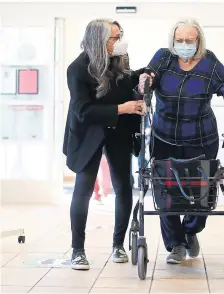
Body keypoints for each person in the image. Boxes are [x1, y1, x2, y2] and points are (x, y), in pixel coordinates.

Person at [138, 19, 224, 264]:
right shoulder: (164, 58)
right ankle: (175, 244)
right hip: (164, 136)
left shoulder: (210, 62)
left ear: (199, 41)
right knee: (165, 190)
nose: (183, 45)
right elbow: (148, 77)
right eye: (179, 40)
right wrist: (144, 81)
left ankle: (190, 231)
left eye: (189, 40)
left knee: (202, 192)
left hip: (201, 138)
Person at [63, 19, 145, 270]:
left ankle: (118, 245)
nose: (118, 42)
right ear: (98, 40)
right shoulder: (77, 69)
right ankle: (78, 250)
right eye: (113, 38)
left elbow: (129, 82)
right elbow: (82, 110)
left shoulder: (120, 60)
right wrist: (124, 108)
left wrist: (142, 81)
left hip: (118, 131)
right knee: (83, 189)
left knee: (123, 186)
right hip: (88, 133)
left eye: (120, 36)